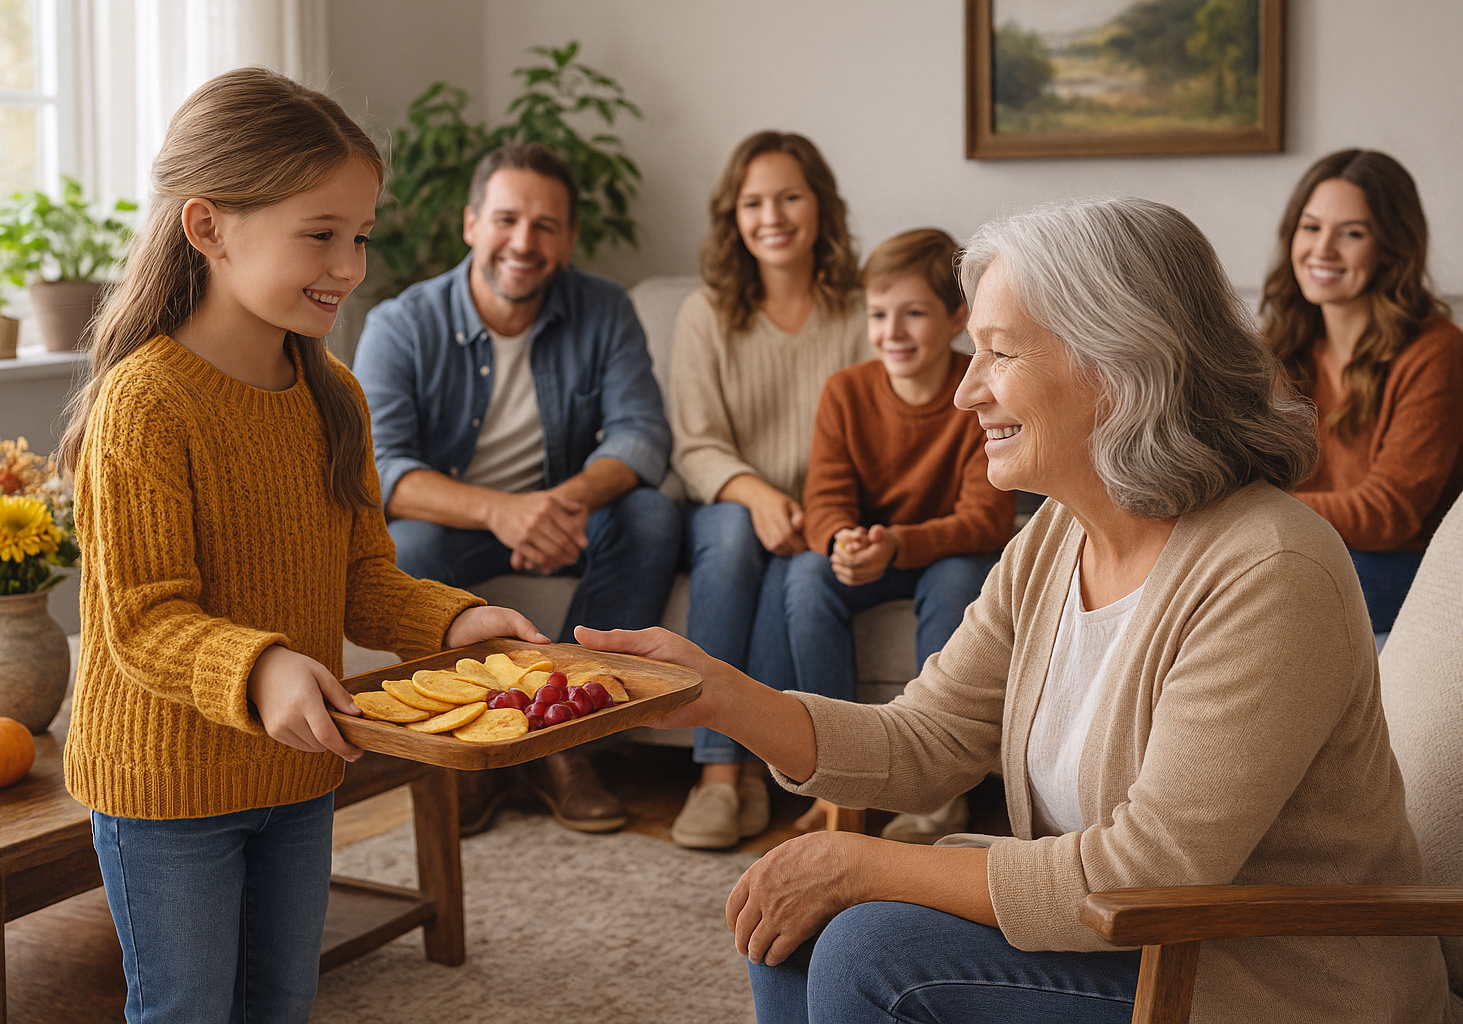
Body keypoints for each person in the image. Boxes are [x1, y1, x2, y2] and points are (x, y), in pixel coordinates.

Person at [581, 196, 1451, 1023]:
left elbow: (1149, 870)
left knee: (864, 950)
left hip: (1260, 979)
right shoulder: (1052, 540)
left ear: (1118, 366)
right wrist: (721, 696)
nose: (965, 391)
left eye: (1000, 353)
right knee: (793, 929)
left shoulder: (1269, 567)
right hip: (1132, 944)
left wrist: (867, 864)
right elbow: (924, 742)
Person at [58, 68, 546, 1024]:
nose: (350, 266)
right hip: (169, 786)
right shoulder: (144, 402)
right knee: (188, 1010)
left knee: (283, 1002)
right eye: (319, 235)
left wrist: (462, 619)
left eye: (358, 236)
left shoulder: (333, 395)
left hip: (301, 767)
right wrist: (266, 665)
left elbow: (363, 579)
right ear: (208, 228)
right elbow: (142, 620)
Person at [352, 142, 680, 835]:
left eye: (545, 226)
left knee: (650, 516)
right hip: (459, 527)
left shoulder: (604, 309)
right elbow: (380, 469)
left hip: (564, 520)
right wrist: (504, 512)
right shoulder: (401, 324)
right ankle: (476, 738)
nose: (523, 243)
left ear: (569, 239)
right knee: (407, 547)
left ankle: (564, 743)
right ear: (471, 223)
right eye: (506, 220)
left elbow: (642, 436)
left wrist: (557, 506)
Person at [666, 130, 869, 847]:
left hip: (831, 504)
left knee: (804, 567)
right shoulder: (704, 314)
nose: (772, 216)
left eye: (789, 197)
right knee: (729, 538)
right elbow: (696, 444)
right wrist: (754, 494)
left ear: (820, 207)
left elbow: (873, 436)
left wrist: (812, 512)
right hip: (732, 503)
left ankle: (767, 767)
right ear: (733, 216)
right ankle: (720, 776)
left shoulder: (860, 310)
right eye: (753, 202)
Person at [785, 228, 1014, 845]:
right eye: (879, 315)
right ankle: (831, 779)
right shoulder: (847, 391)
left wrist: (898, 546)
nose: (894, 331)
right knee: (806, 578)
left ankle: (943, 795)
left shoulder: (977, 390)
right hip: (874, 549)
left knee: (960, 580)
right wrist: (840, 541)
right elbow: (824, 499)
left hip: (943, 553)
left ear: (956, 319)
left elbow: (986, 519)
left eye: (914, 314)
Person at [1262, 148, 1463, 635]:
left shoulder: (1437, 350)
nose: (1323, 250)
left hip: (1400, 572)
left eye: (1351, 233)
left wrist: (1248, 506)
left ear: (1391, 247)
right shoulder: (1277, 345)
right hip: (1303, 548)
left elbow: (1389, 513)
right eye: (1311, 228)